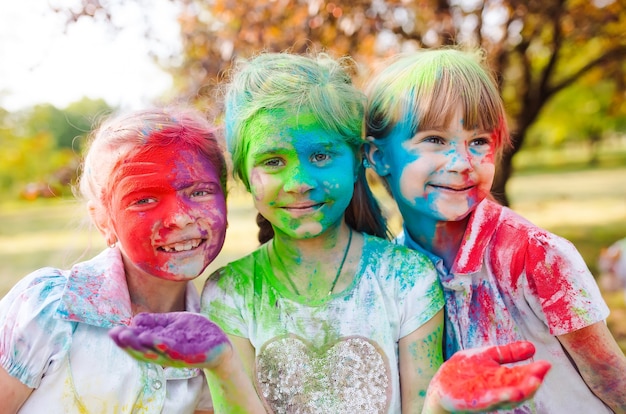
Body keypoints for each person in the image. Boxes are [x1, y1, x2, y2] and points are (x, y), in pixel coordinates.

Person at [111, 52, 550, 414]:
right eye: (273, 161)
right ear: (243, 175)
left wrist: (440, 404)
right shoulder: (231, 292)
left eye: (321, 156)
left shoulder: (405, 278)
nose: (299, 180)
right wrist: (222, 363)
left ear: (358, 159)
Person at [363, 47, 626, 413]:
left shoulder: (535, 254)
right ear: (378, 157)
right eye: (435, 140)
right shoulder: (393, 273)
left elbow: (610, 377)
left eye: (478, 142)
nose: (462, 163)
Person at [0, 107, 229, 413]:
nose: (180, 218)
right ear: (103, 221)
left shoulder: (217, 332)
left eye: (199, 192)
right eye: (144, 199)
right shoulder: (50, 309)